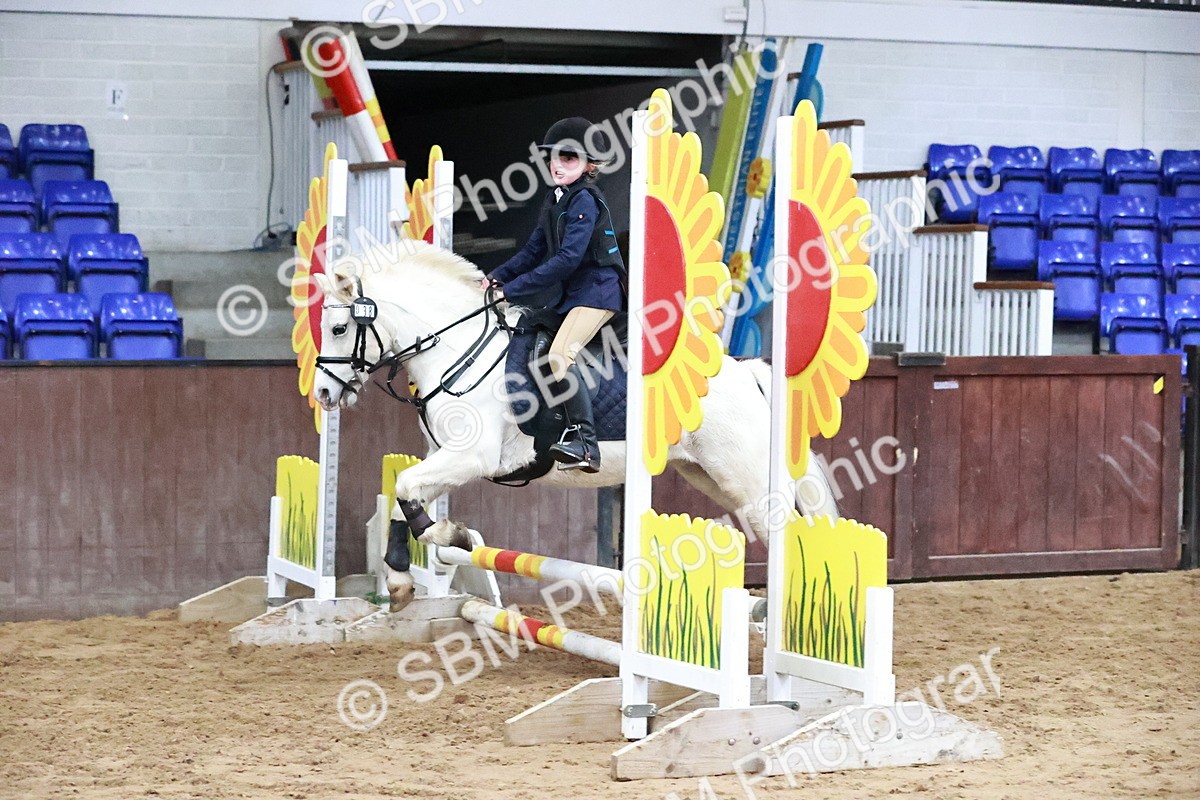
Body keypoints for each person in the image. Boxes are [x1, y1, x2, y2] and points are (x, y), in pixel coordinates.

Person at [482, 117, 626, 473]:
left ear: (589, 166)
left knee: (560, 357)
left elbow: (566, 260)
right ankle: (552, 424)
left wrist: (513, 289)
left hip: (597, 293)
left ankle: (587, 444)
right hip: (574, 294)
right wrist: (494, 278)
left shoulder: (586, 201)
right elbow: (534, 250)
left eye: (569, 158)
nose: (558, 164)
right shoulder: (556, 198)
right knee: (534, 342)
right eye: (554, 157)